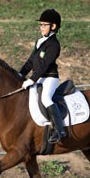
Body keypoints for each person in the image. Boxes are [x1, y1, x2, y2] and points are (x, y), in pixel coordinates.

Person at [19, 9, 67, 143]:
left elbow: (45, 65)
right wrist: (20, 74)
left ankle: (59, 130)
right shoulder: (40, 42)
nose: (41, 28)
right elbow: (30, 61)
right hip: (39, 77)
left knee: (46, 98)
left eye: (44, 25)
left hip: (50, 78)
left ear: (53, 26)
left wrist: (32, 79)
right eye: (40, 25)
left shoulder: (54, 45)